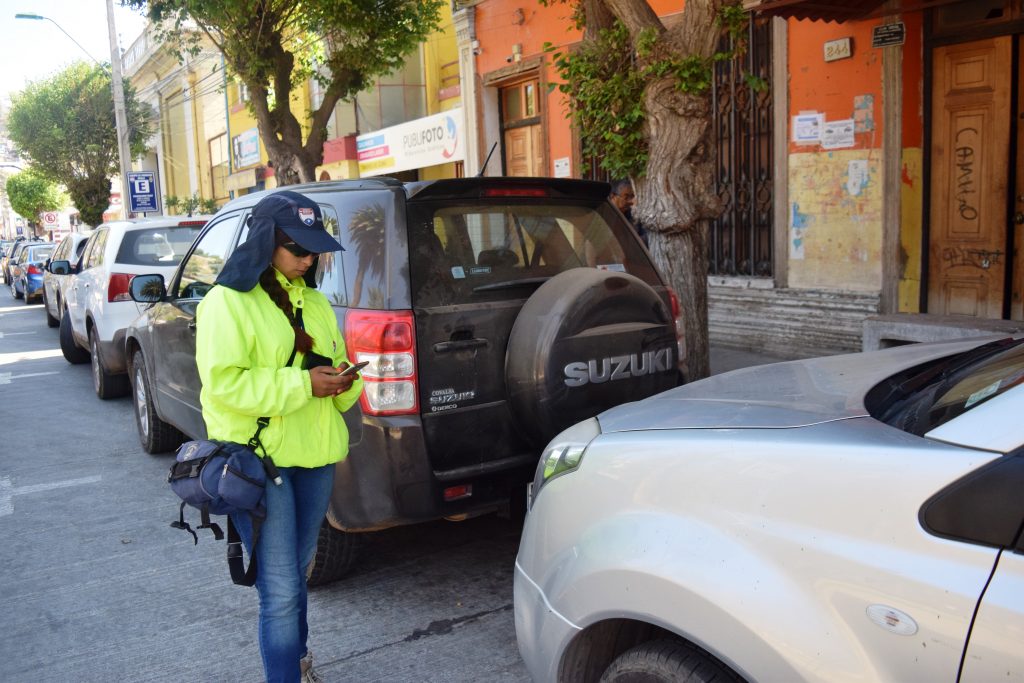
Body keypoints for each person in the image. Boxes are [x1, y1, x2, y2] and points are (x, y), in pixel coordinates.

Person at [195, 190, 364, 683]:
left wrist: (345, 381)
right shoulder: (226, 303)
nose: (310, 259)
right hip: (259, 463)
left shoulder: (314, 303)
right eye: (299, 249)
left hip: (315, 457)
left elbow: (332, 380)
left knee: (299, 570)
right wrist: (303, 383)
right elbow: (224, 386)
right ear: (267, 242)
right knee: (280, 585)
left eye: (315, 250)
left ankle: (298, 659)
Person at [609, 179, 648, 247]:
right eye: (626, 197)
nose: (630, 201)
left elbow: (647, 236)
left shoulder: (633, 215)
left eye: (632, 197)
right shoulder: (603, 215)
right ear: (613, 196)